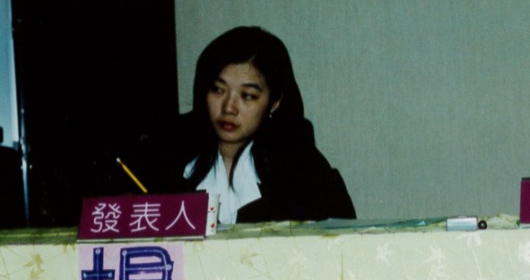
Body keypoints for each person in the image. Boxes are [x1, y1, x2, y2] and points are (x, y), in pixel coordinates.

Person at [124, 26, 356, 223]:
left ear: (275, 101)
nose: (229, 107)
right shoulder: (164, 159)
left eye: (248, 96)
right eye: (218, 90)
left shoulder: (304, 169)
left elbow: (342, 245)